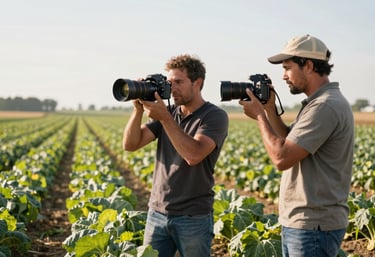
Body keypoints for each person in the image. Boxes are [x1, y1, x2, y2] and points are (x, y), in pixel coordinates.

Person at [239, 35, 354, 257]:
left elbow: (282, 157)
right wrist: (271, 110)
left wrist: (260, 117)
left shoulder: (325, 106)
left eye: (287, 68)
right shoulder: (318, 102)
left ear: (308, 65)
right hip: (307, 224)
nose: (283, 76)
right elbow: (291, 140)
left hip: (313, 225)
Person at [122, 54, 228, 257]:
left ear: (198, 83)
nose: (172, 88)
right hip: (157, 212)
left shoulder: (214, 116)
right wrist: (137, 110)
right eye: (170, 82)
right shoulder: (169, 111)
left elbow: (194, 154)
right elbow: (131, 144)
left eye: (178, 82)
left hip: (193, 216)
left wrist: (164, 118)